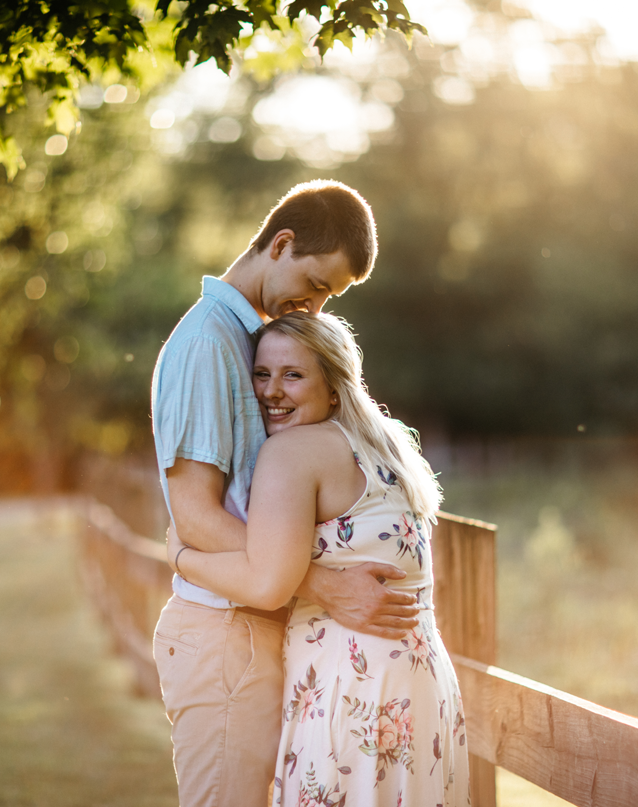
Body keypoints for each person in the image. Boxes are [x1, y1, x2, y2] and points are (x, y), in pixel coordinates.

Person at [150, 180, 421, 807]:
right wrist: (323, 585)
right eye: (320, 284)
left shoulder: (245, 339)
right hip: (227, 630)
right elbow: (194, 516)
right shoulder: (207, 343)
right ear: (283, 243)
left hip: (256, 628)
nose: (319, 306)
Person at [169, 311, 470, 806]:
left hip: (351, 693)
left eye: (293, 375)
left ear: (333, 388)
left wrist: (182, 555)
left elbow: (266, 584)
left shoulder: (293, 453)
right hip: (419, 687)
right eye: (262, 375)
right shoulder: (385, 447)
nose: (271, 391)